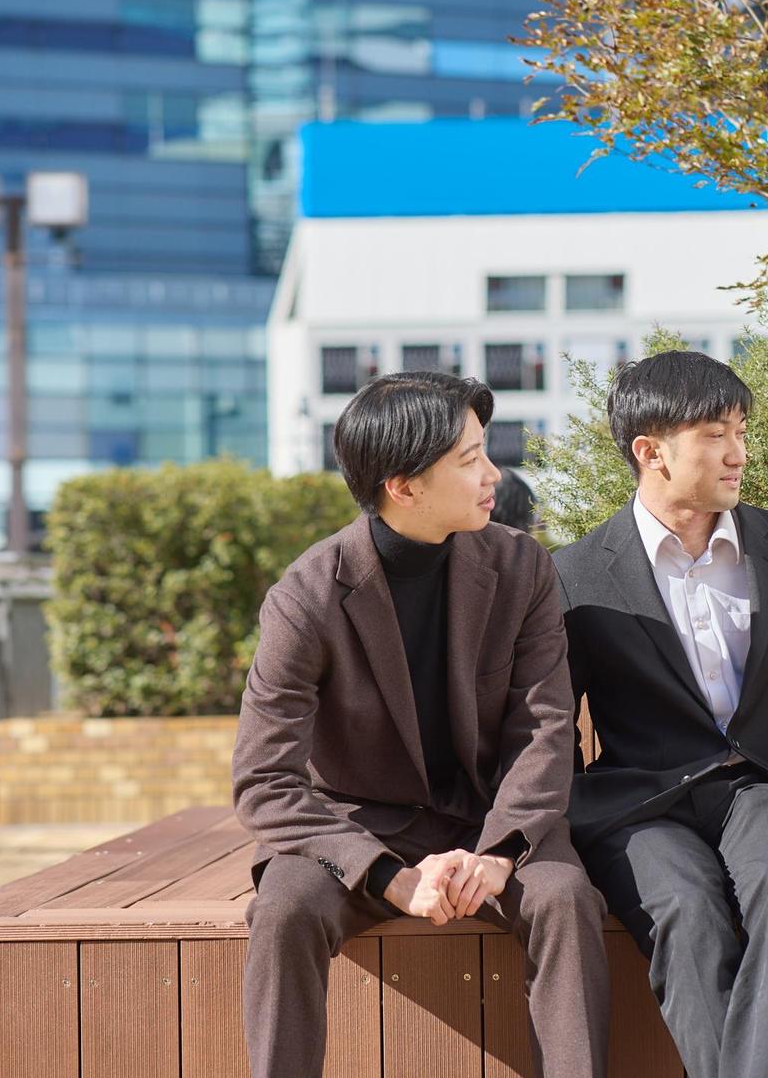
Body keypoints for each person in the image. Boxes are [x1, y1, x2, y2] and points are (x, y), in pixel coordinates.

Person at [233, 371, 609, 1077]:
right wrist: (387, 876)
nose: (493, 474)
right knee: (284, 908)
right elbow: (263, 780)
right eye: (469, 459)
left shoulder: (520, 565)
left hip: (491, 818)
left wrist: (498, 852)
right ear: (403, 486)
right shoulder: (307, 597)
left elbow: (545, 729)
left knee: (564, 899)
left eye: (485, 451)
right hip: (357, 825)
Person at [554, 350, 768, 1078]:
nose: (738, 453)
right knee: (685, 909)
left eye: (741, 431)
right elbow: (553, 725)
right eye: (716, 435)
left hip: (765, 787)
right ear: (650, 451)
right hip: (639, 805)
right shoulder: (574, 572)